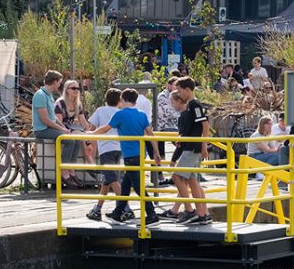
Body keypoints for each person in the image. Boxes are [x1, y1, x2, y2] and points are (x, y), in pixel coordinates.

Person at [90, 88, 162, 225]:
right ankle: (117, 213)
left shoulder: (120, 115)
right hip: (140, 154)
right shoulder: (141, 115)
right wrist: (156, 153)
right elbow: (151, 135)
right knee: (125, 186)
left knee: (139, 187)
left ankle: (152, 215)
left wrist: (89, 135)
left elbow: (105, 129)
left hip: (129, 155)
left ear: (122, 100)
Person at [167, 77, 211, 224]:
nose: (179, 94)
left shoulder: (194, 105)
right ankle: (203, 214)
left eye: (180, 91)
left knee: (177, 177)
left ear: (187, 90)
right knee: (192, 180)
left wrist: (204, 145)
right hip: (191, 145)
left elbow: (205, 126)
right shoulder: (192, 106)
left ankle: (189, 210)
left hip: (193, 147)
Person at [32, 71, 80, 187]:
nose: (60, 85)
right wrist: (61, 129)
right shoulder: (40, 95)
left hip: (49, 127)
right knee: (69, 140)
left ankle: (71, 169)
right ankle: (63, 171)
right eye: (59, 82)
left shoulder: (48, 95)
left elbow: (52, 117)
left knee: (76, 139)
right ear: (54, 82)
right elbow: (45, 119)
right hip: (42, 130)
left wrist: (64, 127)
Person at [85, 88, 124, 221]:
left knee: (112, 179)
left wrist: (88, 140)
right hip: (118, 147)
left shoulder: (100, 110)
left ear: (106, 100)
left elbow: (92, 127)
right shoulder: (120, 112)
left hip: (106, 148)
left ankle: (126, 207)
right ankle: (97, 209)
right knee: (107, 181)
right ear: (120, 101)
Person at [54, 79, 92, 187]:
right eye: (73, 88)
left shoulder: (77, 104)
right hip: (59, 128)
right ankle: (65, 171)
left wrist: (87, 132)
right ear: (67, 90)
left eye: (78, 88)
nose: (76, 91)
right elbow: (59, 122)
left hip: (70, 128)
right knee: (72, 140)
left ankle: (72, 170)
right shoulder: (60, 103)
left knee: (77, 141)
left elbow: (83, 121)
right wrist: (72, 131)